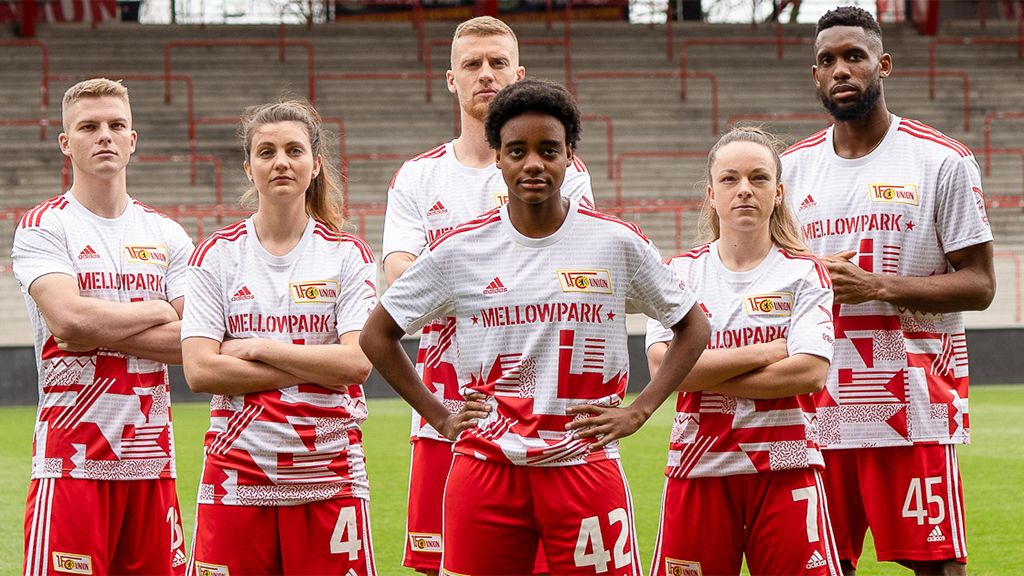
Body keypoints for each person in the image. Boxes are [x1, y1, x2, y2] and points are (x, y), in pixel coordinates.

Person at [361, 78, 709, 575]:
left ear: (570, 156)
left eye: (549, 150)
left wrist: (641, 410)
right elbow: (377, 334)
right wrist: (439, 417)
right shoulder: (462, 249)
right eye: (517, 151)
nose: (533, 164)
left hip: (584, 467)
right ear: (498, 158)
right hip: (485, 468)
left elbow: (693, 325)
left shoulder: (615, 242)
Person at [781, 7, 995, 575]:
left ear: (885, 64)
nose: (841, 70)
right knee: (820, 567)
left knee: (936, 566)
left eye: (855, 56)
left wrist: (876, 284)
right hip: (813, 408)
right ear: (815, 75)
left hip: (913, 405)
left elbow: (980, 285)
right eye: (827, 60)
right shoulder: (789, 171)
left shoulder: (941, 160)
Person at [380, 15, 594, 574]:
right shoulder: (417, 177)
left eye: (498, 63)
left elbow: (570, 274)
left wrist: (451, 279)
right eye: (472, 64)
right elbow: (399, 281)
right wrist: (503, 279)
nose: (485, 74)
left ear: (518, 73)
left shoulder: (563, 170)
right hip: (446, 410)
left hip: (542, 414)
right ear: (450, 78)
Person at [180, 100, 379, 574]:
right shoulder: (217, 254)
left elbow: (357, 365)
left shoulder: (347, 255)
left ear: (315, 166)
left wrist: (256, 348)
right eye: (266, 152)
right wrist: (313, 361)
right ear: (249, 168)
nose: (281, 161)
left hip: (330, 476)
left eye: (294, 150)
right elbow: (200, 369)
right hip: (235, 476)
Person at [14, 78, 192, 575]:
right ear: (66, 143)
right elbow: (68, 319)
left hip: (151, 461)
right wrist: (160, 309)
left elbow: (196, 342)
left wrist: (95, 327)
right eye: (89, 127)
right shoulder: (45, 226)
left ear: (133, 139)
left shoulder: (167, 233)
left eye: (116, 125)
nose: (105, 136)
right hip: (70, 464)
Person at [646, 126, 840, 576]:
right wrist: (767, 352)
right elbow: (661, 366)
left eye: (759, 178)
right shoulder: (679, 273)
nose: (745, 190)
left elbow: (809, 373)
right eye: (730, 180)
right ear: (712, 194)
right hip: (699, 466)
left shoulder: (806, 273)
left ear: (778, 193)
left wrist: (696, 369)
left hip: (787, 467)